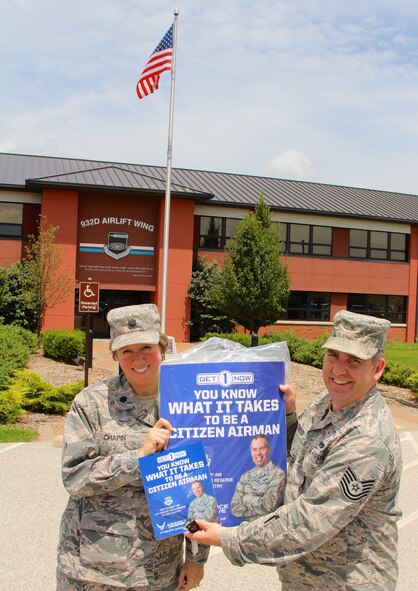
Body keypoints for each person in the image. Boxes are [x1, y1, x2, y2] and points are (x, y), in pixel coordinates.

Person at [185, 311, 403, 591]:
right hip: (306, 580)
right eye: (333, 355)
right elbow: (303, 458)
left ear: (377, 368)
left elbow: (310, 521)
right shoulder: (328, 401)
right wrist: (286, 417)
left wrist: (228, 537)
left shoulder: (368, 439)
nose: (338, 369)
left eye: (354, 361)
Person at [57, 304, 207, 591]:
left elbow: (200, 486)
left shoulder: (187, 403)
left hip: (159, 571)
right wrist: (137, 458)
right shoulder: (92, 404)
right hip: (92, 570)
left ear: (162, 347)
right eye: (126, 350)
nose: (138, 358)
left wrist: (197, 559)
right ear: (115, 355)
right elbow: (75, 477)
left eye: (146, 347)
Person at [230, 435, 286, 521]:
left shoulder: (278, 474)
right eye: (254, 449)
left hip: (269, 531)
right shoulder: (245, 477)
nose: (258, 453)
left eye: (262, 448)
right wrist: (258, 506)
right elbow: (235, 508)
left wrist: (245, 498)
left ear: (269, 449)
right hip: (247, 531)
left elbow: (269, 506)